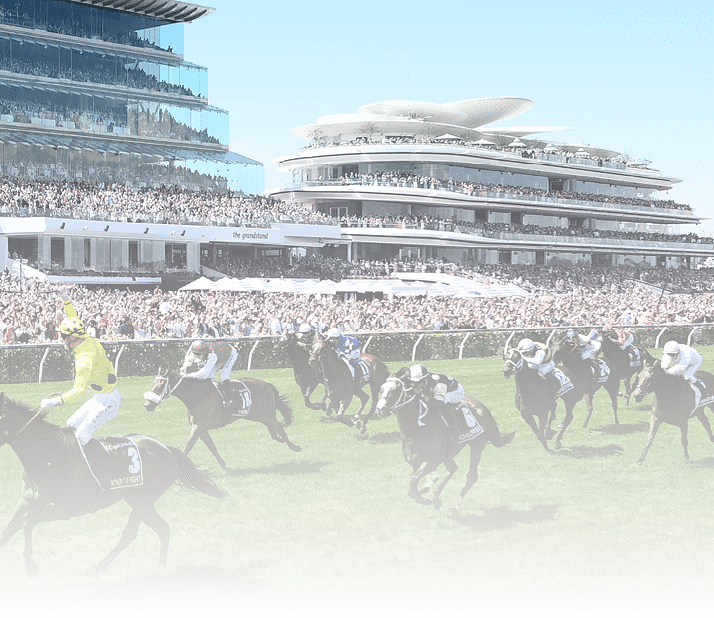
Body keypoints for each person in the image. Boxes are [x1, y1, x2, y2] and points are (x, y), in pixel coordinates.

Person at [40, 287, 121, 491]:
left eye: (63, 337)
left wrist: (54, 401)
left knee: (81, 436)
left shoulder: (84, 360)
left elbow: (76, 393)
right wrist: (66, 301)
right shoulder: (85, 338)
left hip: (109, 402)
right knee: (71, 424)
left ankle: (102, 474)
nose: (62, 340)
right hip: (101, 396)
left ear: (73, 339)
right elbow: (74, 318)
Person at [180, 337, 239, 407]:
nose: (196, 356)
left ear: (204, 352)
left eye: (198, 355)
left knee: (224, 375)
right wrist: (183, 368)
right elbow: (189, 359)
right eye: (195, 354)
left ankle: (229, 399)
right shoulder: (198, 351)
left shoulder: (212, 356)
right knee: (208, 377)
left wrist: (189, 375)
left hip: (230, 354)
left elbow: (205, 370)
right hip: (220, 355)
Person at [408, 363, 464, 434]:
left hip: (456, 391)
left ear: (425, 379)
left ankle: (454, 428)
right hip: (441, 388)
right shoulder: (425, 381)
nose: (415, 385)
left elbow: (439, 403)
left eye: (418, 382)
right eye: (413, 382)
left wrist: (425, 397)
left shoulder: (438, 386)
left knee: (439, 405)